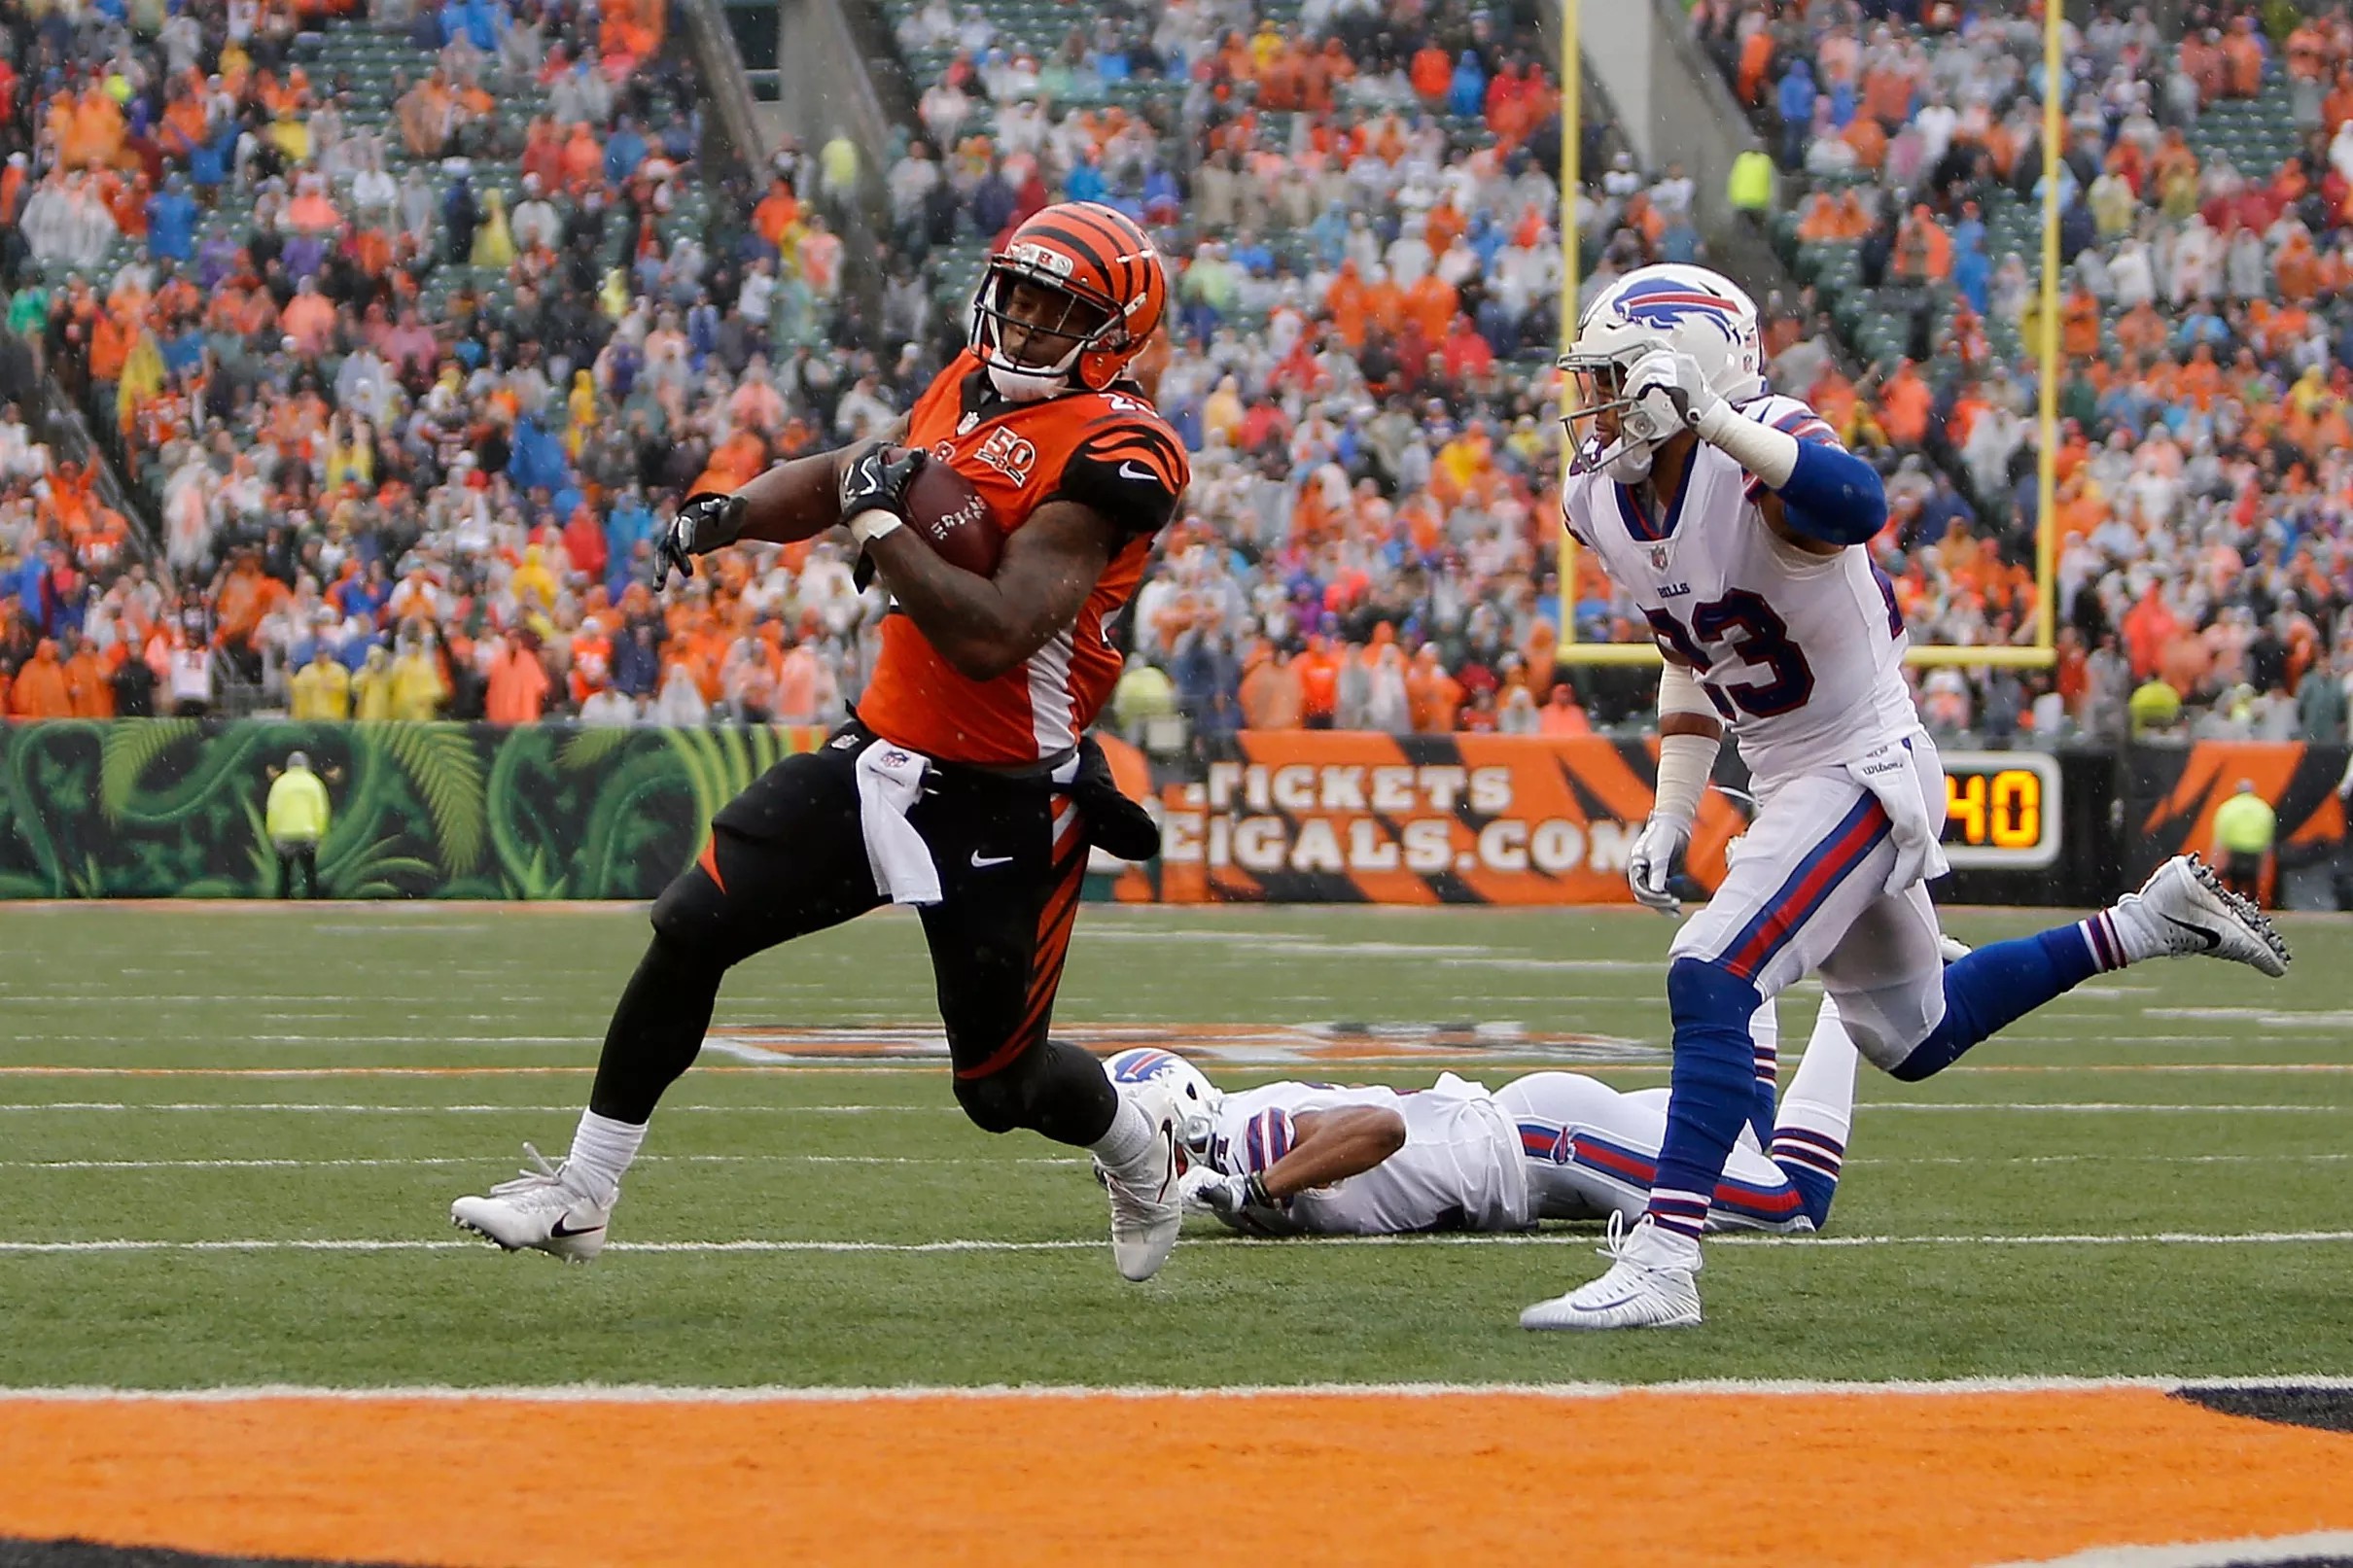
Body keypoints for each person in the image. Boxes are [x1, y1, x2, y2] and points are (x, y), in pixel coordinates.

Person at [1528, 262, 2291, 1332]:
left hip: (1858, 762)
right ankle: (2144, 920)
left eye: (1612, 378)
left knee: (1709, 973)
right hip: (1789, 767)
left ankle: (1663, 1264)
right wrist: (1671, 806)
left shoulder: (1767, 452)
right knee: (1912, 1035)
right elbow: (1688, 647)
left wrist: (1716, 421)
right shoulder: (1600, 499)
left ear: (1679, 372)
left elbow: (1856, 504)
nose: (1593, 404)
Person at [452, 203, 1193, 1281]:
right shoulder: (967, 387)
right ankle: (581, 1191)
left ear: (1113, 331)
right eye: (1018, 295)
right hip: (881, 756)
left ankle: (1140, 1144)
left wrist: (882, 526)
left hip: (1006, 791)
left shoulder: (1123, 450)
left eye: (1057, 308)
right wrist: (729, 513)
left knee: (999, 1086)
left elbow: (991, 633)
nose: (1024, 323)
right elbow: (859, 465)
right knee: (690, 924)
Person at [1136, 987, 1859, 1241]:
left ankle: (1852, 999)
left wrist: (1257, 1187)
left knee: (1789, 1203)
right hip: (1529, 1149)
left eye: (1135, 1145)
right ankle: (1758, 978)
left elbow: (1379, 1130)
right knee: (1739, 1140)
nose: (1128, 1171)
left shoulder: (1239, 1141)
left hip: (1543, 1143)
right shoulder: (1228, 1143)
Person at [264, 750, 331, 898]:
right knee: (309, 871)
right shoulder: (314, 782)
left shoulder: (280, 783)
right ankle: (312, 899)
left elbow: (273, 809)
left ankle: (283, 900)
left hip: (284, 833)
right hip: (308, 833)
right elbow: (321, 810)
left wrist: (271, 831)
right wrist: (320, 832)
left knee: (285, 873)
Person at [2212, 779, 2276, 906]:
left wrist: (2214, 861)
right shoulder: (2263, 808)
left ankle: (2234, 908)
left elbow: (2220, 839)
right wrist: (2265, 863)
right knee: (2252, 884)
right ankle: (2253, 907)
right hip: (2255, 852)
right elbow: (2269, 839)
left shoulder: (2228, 807)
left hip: (2235, 852)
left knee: (2234, 885)